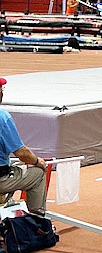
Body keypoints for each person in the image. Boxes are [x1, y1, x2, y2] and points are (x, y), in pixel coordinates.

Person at [0, 78, 48, 214]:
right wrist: (38, 161)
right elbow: (22, 153)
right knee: (38, 174)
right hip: (1, 178)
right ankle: (35, 221)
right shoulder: (2, 117)